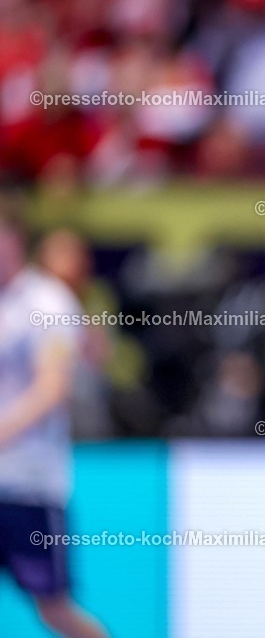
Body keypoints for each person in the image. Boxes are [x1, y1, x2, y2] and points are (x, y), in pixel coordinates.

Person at [0, 207, 108, 638]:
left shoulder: (47, 302)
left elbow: (53, 386)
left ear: (16, 241)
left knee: (55, 610)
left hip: (27, 483)